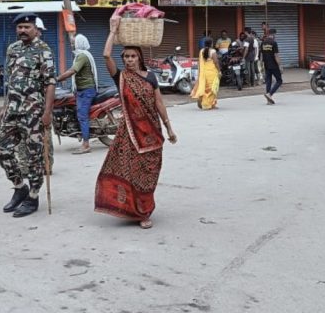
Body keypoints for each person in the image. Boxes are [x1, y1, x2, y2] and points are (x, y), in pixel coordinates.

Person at [96, 16, 177, 229]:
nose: (129, 60)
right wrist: (113, 31)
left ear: (139, 57)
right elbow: (105, 54)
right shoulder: (121, 76)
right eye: (126, 56)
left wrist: (169, 127)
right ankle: (136, 211)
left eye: (133, 56)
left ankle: (145, 210)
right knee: (130, 171)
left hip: (152, 132)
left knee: (148, 173)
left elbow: (159, 102)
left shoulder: (150, 77)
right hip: (129, 133)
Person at [0, 12, 56, 218]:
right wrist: (4, 107)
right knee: (1, 150)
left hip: (34, 112)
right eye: (19, 27)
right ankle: (19, 187)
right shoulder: (12, 49)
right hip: (12, 110)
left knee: (35, 157)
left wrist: (47, 112)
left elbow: (50, 83)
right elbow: (10, 81)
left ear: (35, 29)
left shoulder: (43, 50)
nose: (22, 30)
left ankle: (33, 195)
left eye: (26, 27)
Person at [56, 34, 98, 155]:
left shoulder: (82, 56)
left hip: (86, 90)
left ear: (79, 44)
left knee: (82, 116)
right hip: (82, 89)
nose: (71, 45)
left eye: (74, 43)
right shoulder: (81, 55)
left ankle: (86, 144)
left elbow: (72, 71)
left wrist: (57, 79)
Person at [191, 37, 221, 110]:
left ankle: (205, 101)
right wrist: (219, 70)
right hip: (212, 72)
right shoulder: (213, 51)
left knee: (205, 88)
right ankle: (207, 104)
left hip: (204, 72)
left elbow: (200, 62)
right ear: (211, 44)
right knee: (213, 89)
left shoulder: (201, 51)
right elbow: (216, 62)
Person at [261, 29, 283, 104]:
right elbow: (276, 55)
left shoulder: (263, 43)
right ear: (273, 34)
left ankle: (268, 100)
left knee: (268, 81)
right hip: (274, 65)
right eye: (275, 35)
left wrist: (261, 65)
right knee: (279, 81)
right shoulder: (274, 43)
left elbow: (262, 55)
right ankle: (270, 94)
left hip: (266, 65)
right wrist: (280, 66)